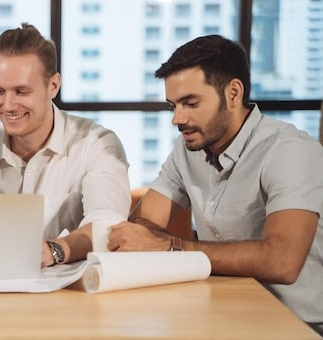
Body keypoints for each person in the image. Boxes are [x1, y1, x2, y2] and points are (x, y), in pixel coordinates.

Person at [107, 35, 323, 334]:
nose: (177, 118)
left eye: (191, 103)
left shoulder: (290, 151)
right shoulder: (188, 149)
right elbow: (142, 225)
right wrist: (152, 241)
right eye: (173, 105)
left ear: (233, 93)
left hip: (298, 324)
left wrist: (171, 247)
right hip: (225, 312)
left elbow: (282, 262)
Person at [0, 23, 131, 267]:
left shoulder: (97, 144)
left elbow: (107, 226)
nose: (8, 105)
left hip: (75, 292)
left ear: (53, 86)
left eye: (21, 92)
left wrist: (55, 250)